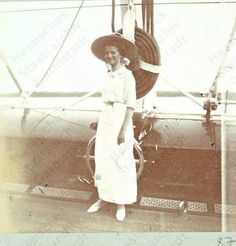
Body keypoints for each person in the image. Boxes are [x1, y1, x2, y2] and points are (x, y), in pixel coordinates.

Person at [87, 34, 139, 221]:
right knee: (102, 159)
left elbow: (131, 104)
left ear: (120, 54)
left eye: (113, 52)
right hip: (106, 118)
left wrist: (124, 130)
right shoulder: (108, 75)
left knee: (120, 161)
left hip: (119, 119)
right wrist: (100, 120)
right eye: (107, 53)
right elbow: (106, 101)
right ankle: (103, 197)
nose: (109, 56)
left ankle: (120, 202)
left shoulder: (127, 76)